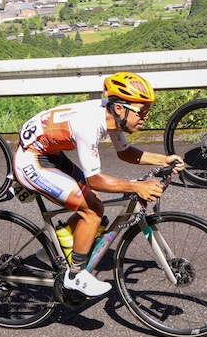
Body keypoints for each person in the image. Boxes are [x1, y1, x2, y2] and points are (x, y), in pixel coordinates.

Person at [13, 71, 184, 297]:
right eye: (141, 111)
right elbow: (95, 179)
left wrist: (163, 159)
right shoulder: (89, 124)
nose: (145, 117)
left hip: (51, 154)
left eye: (147, 111)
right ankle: (75, 276)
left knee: (95, 202)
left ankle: (57, 246)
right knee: (92, 211)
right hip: (31, 160)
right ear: (120, 108)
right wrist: (136, 186)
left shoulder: (110, 114)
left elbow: (125, 153)